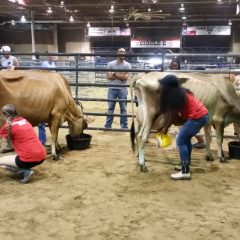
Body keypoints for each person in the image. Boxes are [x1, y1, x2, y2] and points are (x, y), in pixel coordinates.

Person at [158, 75, 209, 180]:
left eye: (162, 85)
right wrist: (165, 126)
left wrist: (165, 128)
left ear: (168, 86)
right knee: (185, 140)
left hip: (197, 117)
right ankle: (185, 165)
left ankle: (185, 171)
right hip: (201, 115)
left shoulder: (175, 96)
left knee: (180, 140)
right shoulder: (179, 92)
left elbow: (172, 116)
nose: (160, 86)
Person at [0, 104, 46, 183]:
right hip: (42, 155)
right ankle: (24, 169)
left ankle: (25, 171)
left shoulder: (7, 127)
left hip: (28, 159)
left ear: (4, 115)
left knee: (1, 161)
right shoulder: (24, 120)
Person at [169, 59, 206, 149]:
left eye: (176, 66)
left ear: (178, 66)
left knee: (187, 122)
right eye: (173, 66)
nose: (174, 67)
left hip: (183, 100)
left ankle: (200, 141)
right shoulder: (169, 74)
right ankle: (194, 140)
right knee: (183, 122)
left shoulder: (182, 75)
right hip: (176, 100)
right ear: (170, 66)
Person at [104, 48, 131, 129]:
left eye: (124, 52)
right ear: (117, 53)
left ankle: (124, 126)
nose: (122, 53)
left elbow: (125, 77)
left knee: (123, 108)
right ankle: (108, 126)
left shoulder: (127, 65)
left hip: (123, 89)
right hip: (112, 89)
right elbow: (108, 77)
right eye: (121, 52)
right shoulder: (110, 64)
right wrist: (120, 75)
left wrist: (114, 74)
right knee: (110, 108)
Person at [38, 56, 56, 145]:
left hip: (50, 88)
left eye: (52, 56)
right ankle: (42, 140)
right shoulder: (45, 64)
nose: (51, 58)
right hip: (45, 89)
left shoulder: (53, 64)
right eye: (50, 56)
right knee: (41, 119)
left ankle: (48, 139)